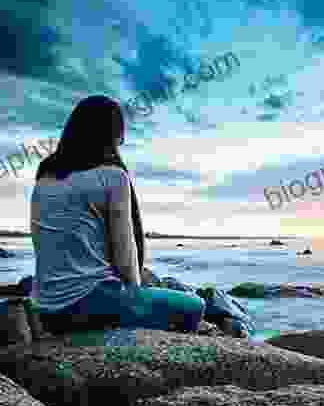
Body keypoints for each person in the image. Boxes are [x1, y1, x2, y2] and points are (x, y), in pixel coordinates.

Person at [30, 95, 205, 335]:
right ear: (113, 134)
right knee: (195, 306)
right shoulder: (113, 176)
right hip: (89, 305)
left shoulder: (45, 176)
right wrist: (135, 295)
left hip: (46, 309)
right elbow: (125, 259)